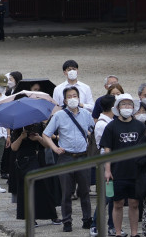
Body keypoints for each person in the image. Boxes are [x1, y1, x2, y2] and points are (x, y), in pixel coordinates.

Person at [42, 85, 97, 232]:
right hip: (66, 158)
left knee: (85, 191)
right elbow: (46, 134)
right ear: (64, 100)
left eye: (75, 96)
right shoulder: (59, 115)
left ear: (79, 98)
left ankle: (87, 219)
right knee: (66, 192)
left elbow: (93, 130)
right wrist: (54, 148)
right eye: (69, 97)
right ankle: (67, 221)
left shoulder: (86, 114)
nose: (72, 99)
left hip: (83, 157)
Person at [102, 93, 146, 237]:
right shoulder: (111, 126)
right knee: (118, 204)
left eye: (129, 104)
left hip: (136, 171)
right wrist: (107, 170)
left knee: (134, 204)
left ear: (133, 108)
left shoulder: (140, 126)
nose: (126, 107)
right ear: (117, 107)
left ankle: (134, 233)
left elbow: (145, 149)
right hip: (118, 171)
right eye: (123, 104)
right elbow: (107, 149)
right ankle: (118, 233)